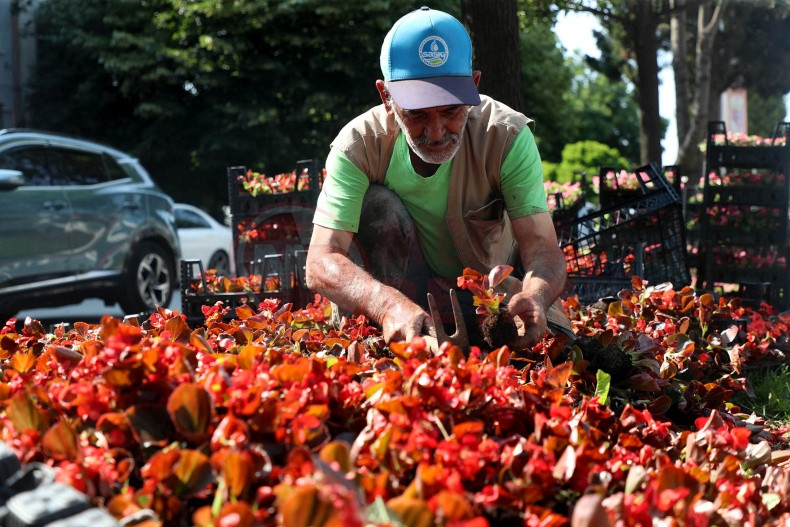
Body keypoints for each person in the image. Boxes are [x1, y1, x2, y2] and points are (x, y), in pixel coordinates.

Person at [305, 6, 567, 350]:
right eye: (416, 114)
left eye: (451, 110)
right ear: (386, 96)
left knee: (565, 349)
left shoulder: (505, 136)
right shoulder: (358, 145)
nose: (436, 130)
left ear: (473, 88)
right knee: (378, 203)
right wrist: (387, 306)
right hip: (398, 303)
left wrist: (536, 295)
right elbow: (320, 260)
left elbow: (542, 247)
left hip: (489, 302)